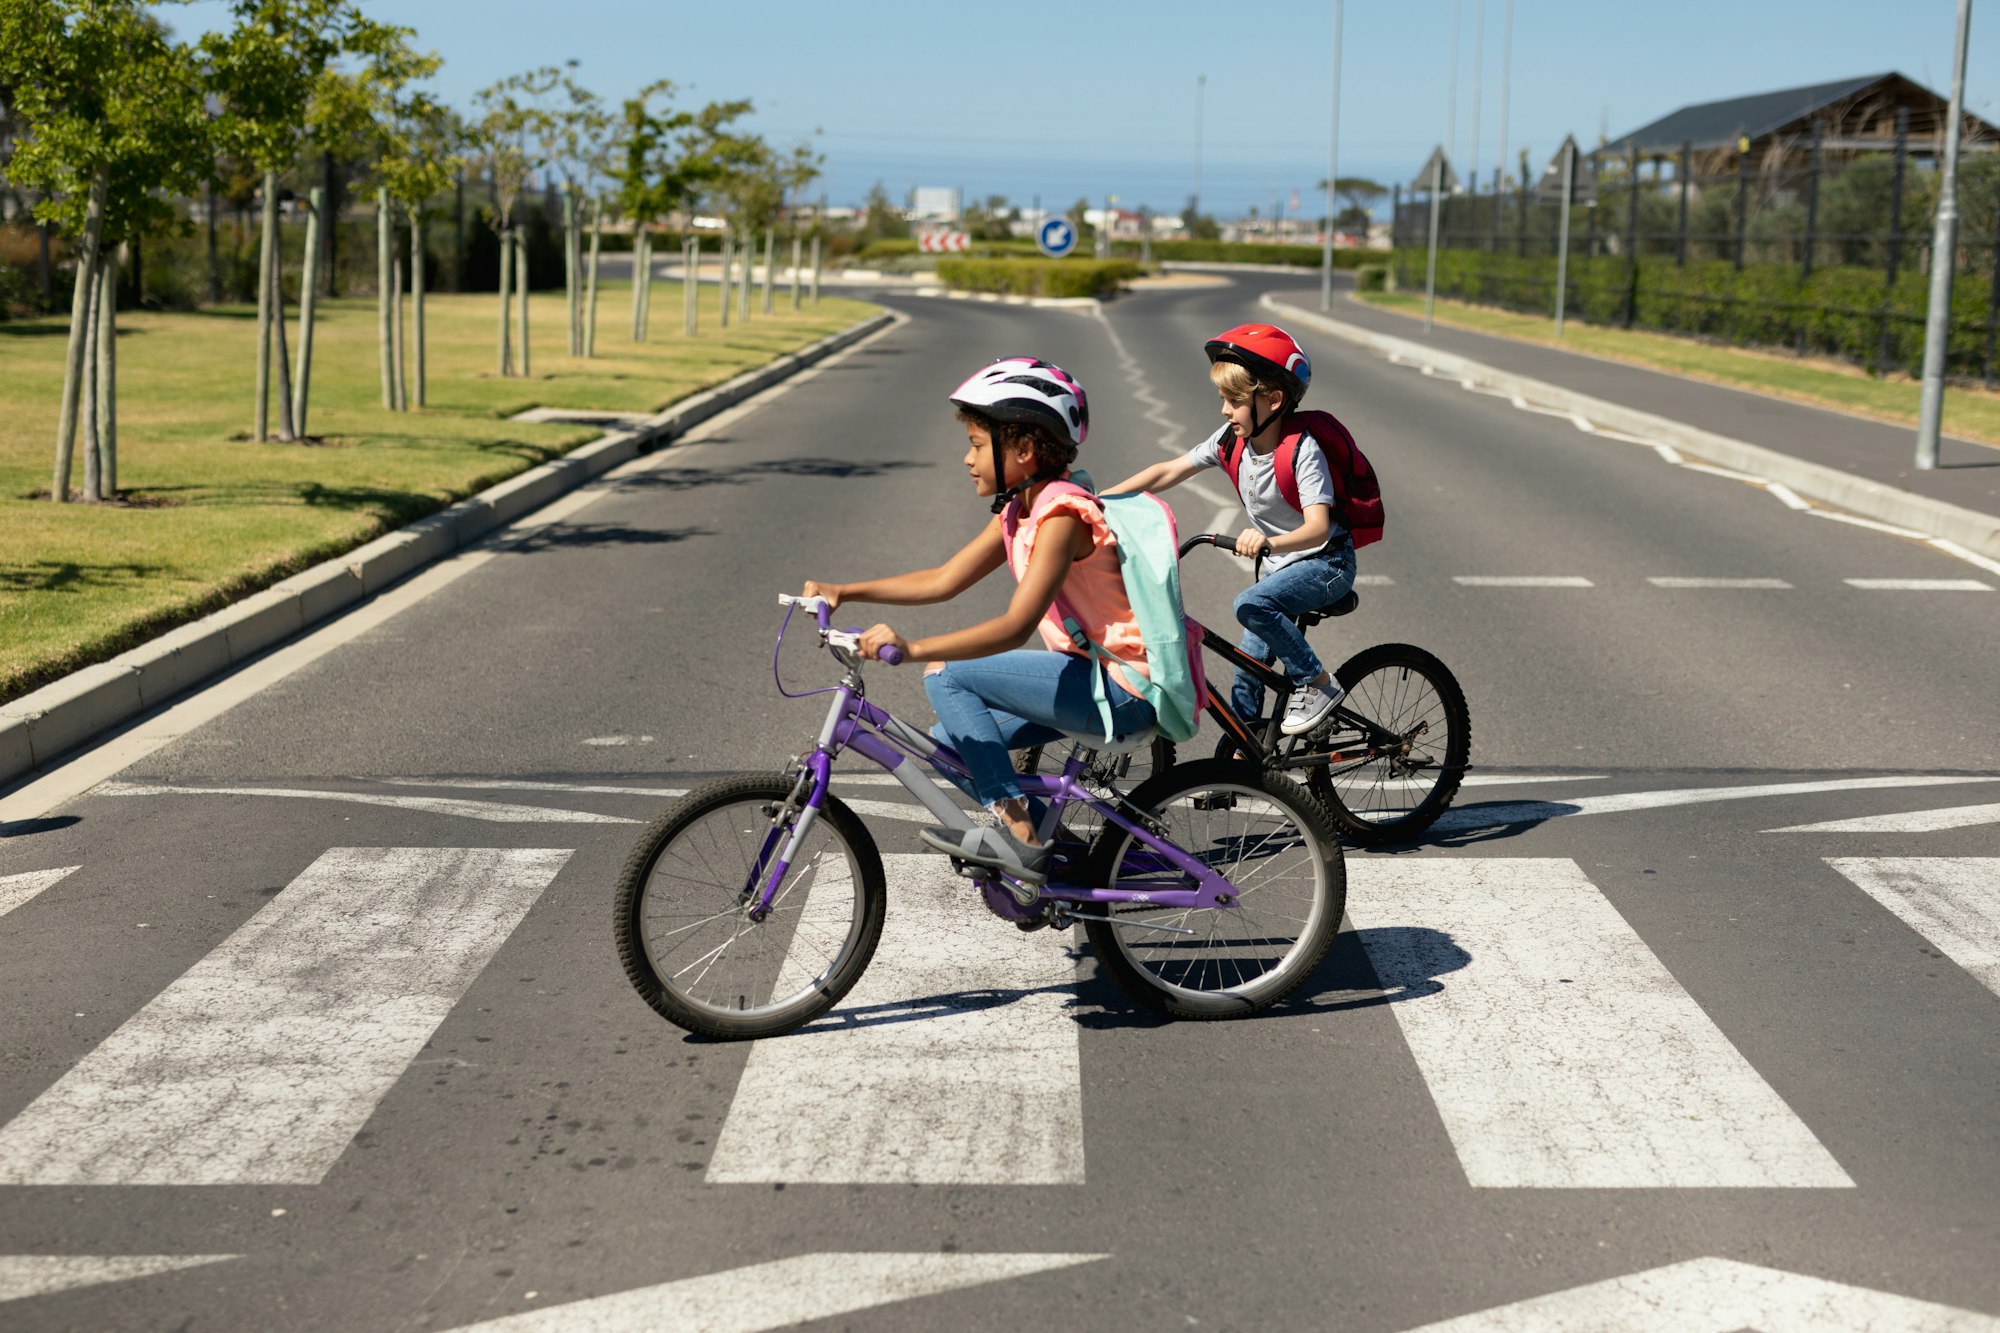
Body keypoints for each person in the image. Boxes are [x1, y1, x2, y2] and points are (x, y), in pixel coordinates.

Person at [800, 357, 1155, 893]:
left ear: (1024, 450)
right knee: (952, 740)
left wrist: (914, 648)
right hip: (1089, 677)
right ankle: (1067, 856)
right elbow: (944, 579)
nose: (967, 459)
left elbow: (1015, 627)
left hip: (1123, 688)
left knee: (948, 674)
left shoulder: (1061, 517)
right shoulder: (1021, 510)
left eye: (975, 443)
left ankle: (1023, 842)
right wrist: (846, 591)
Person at [1106, 323, 1354, 736]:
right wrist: (1097, 500)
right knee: (1248, 671)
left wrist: (1268, 541)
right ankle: (1245, 756)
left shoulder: (1303, 451)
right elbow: (1168, 470)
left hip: (1326, 564)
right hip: (1282, 570)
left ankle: (1317, 684)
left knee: (1250, 605)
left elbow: (1317, 528)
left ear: (1273, 400)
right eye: (1223, 398)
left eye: (1234, 400)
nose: (1224, 409)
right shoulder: (1230, 441)